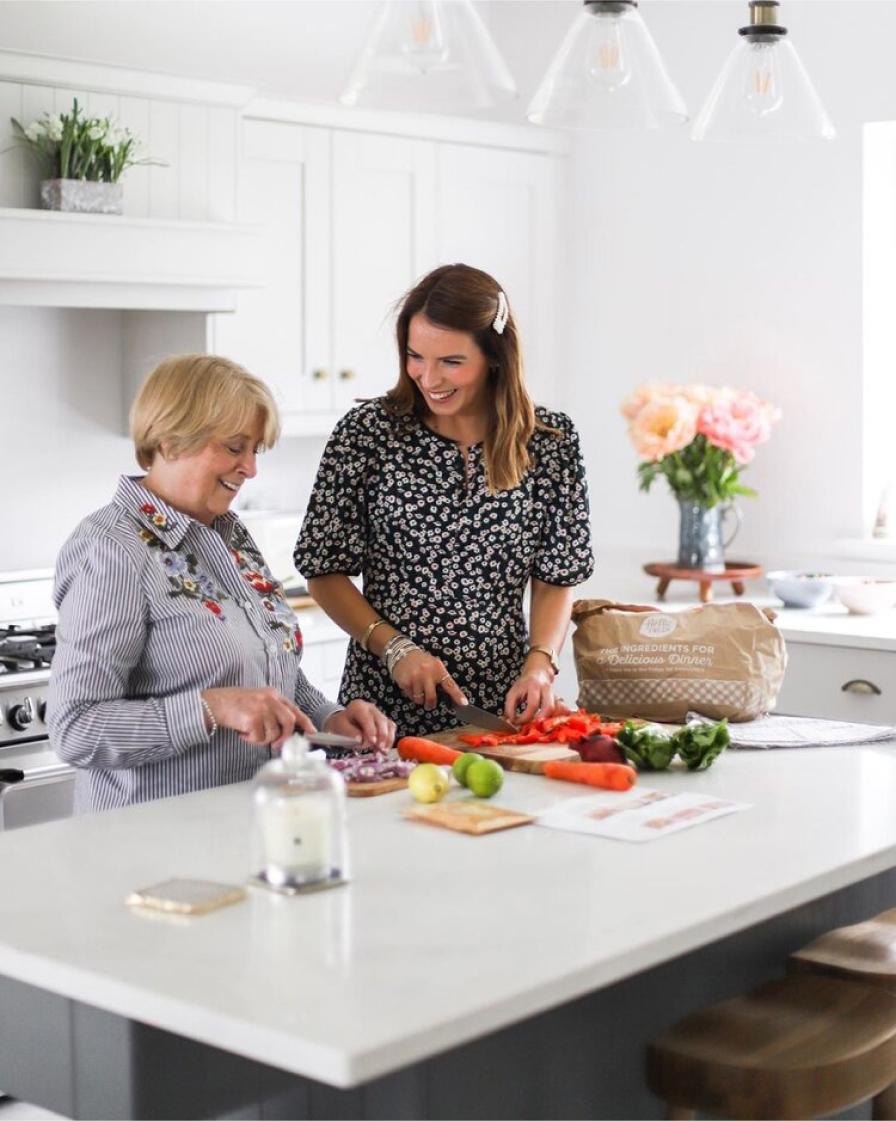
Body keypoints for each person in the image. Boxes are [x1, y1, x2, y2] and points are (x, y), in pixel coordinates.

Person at [48, 354, 395, 814]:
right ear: (170, 441)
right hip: (152, 842)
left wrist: (329, 716)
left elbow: (269, 672)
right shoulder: (111, 550)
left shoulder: (230, 534)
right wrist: (210, 709)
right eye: (234, 447)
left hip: (249, 823)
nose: (250, 468)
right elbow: (75, 729)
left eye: (255, 450)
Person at [294, 263, 594, 741]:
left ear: (495, 356)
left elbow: (557, 575)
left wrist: (541, 665)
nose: (428, 377)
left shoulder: (550, 442)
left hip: (504, 710)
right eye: (415, 356)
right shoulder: (368, 434)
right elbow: (323, 570)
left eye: (451, 362)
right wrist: (396, 651)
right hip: (384, 714)